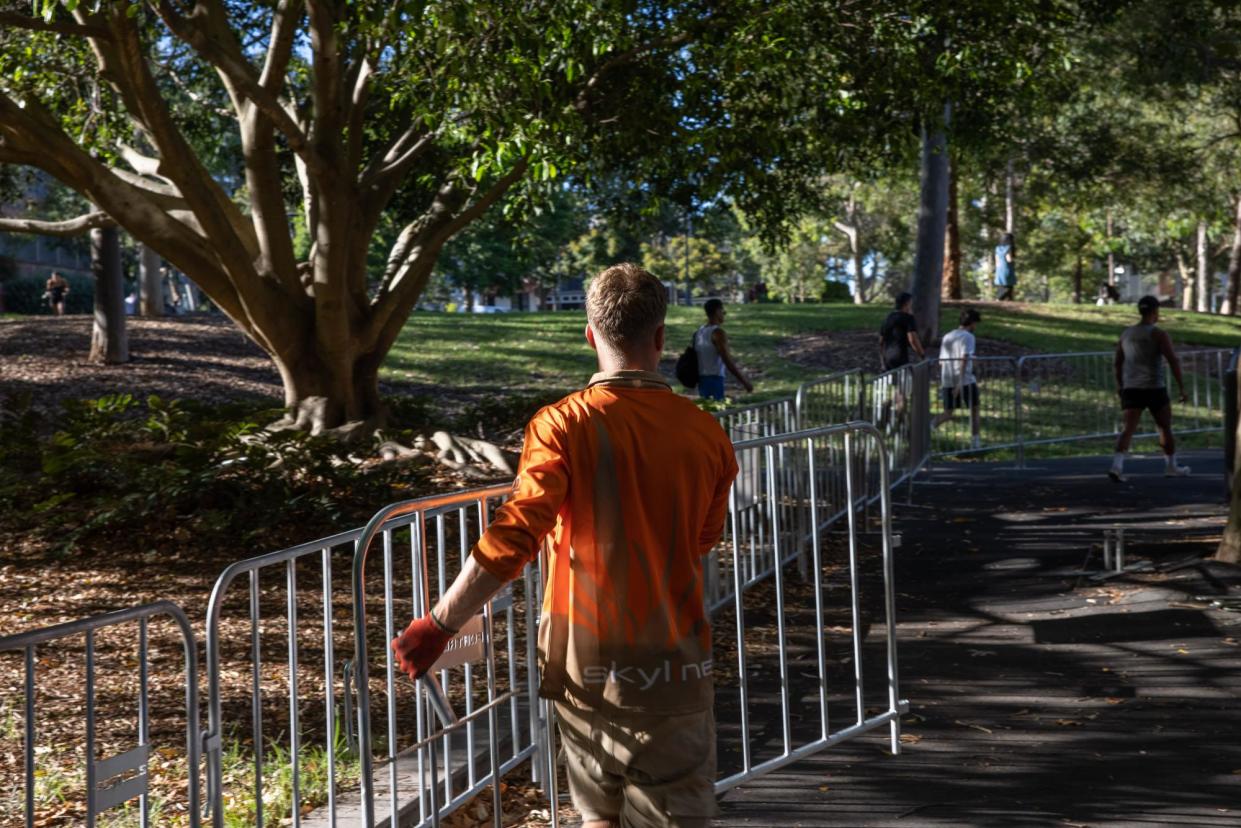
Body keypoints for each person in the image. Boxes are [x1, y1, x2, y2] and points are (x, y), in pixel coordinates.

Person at [392, 263, 739, 828]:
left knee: (596, 815)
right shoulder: (706, 434)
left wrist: (439, 623)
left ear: (590, 334)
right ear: (659, 337)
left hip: (582, 667)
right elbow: (703, 539)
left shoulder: (561, 425)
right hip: (670, 670)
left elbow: (515, 535)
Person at [1108, 295, 1190, 482]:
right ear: (1155, 312)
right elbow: (1173, 360)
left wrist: (1120, 385)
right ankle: (1171, 466)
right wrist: (1182, 388)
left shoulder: (1126, 334)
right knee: (1164, 427)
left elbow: (1117, 363)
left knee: (1127, 429)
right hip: (1154, 387)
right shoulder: (1159, 334)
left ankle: (1117, 466)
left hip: (1131, 388)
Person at [932, 308, 982, 450]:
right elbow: (964, 358)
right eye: (975, 324)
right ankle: (975, 442)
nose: (975, 327)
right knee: (975, 409)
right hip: (965, 379)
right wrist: (960, 382)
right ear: (971, 323)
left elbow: (941, 361)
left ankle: (928, 430)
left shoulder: (947, 336)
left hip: (947, 378)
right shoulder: (968, 337)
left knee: (948, 413)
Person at [694, 298, 753, 400]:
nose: (724, 315)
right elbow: (727, 361)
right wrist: (745, 382)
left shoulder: (699, 332)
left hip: (701, 379)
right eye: (723, 311)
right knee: (716, 410)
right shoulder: (718, 333)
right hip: (715, 379)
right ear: (717, 311)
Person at [877, 291, 925, 371]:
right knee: (906, 382)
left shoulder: (887, 318)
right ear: (907, 303)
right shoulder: (908, 318)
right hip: (900, 358)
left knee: (889, 383)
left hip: (887, 358)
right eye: (910, 303)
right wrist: (922, 355)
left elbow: (881, 342)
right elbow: (913, 339)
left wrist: (882, 361)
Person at [995, 233, 1015, 301]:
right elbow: (1009, 259)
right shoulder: (1008, 248)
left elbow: (997, 260)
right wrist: (1013, 260)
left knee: (1001, 283)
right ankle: (1001, 298)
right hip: (1006, 267)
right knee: (1008, 284)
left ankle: (1002, 298)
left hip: (999, 268)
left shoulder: (997, 248)